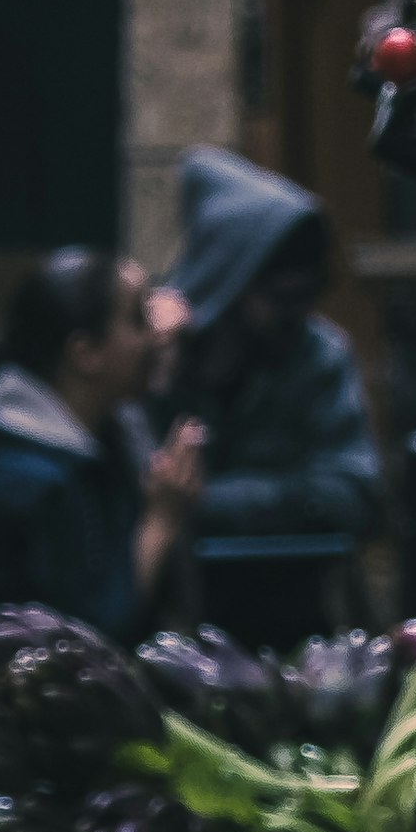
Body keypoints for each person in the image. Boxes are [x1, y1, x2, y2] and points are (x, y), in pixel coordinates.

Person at [0, 247, 203, 682]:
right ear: (86, 354)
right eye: (139, 320)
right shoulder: (24, 480)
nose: (156, 335)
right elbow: (90, 643)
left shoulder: (95, 434)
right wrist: (161, 521)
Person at [161, 146, 384, 645]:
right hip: (172, 621)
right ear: (232, 284)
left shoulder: (318, 355)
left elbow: (356, 493)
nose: (297, 316)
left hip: (300, 620)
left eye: (308, 296)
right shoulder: (164, 355)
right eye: (280, 299)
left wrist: (204, 502)